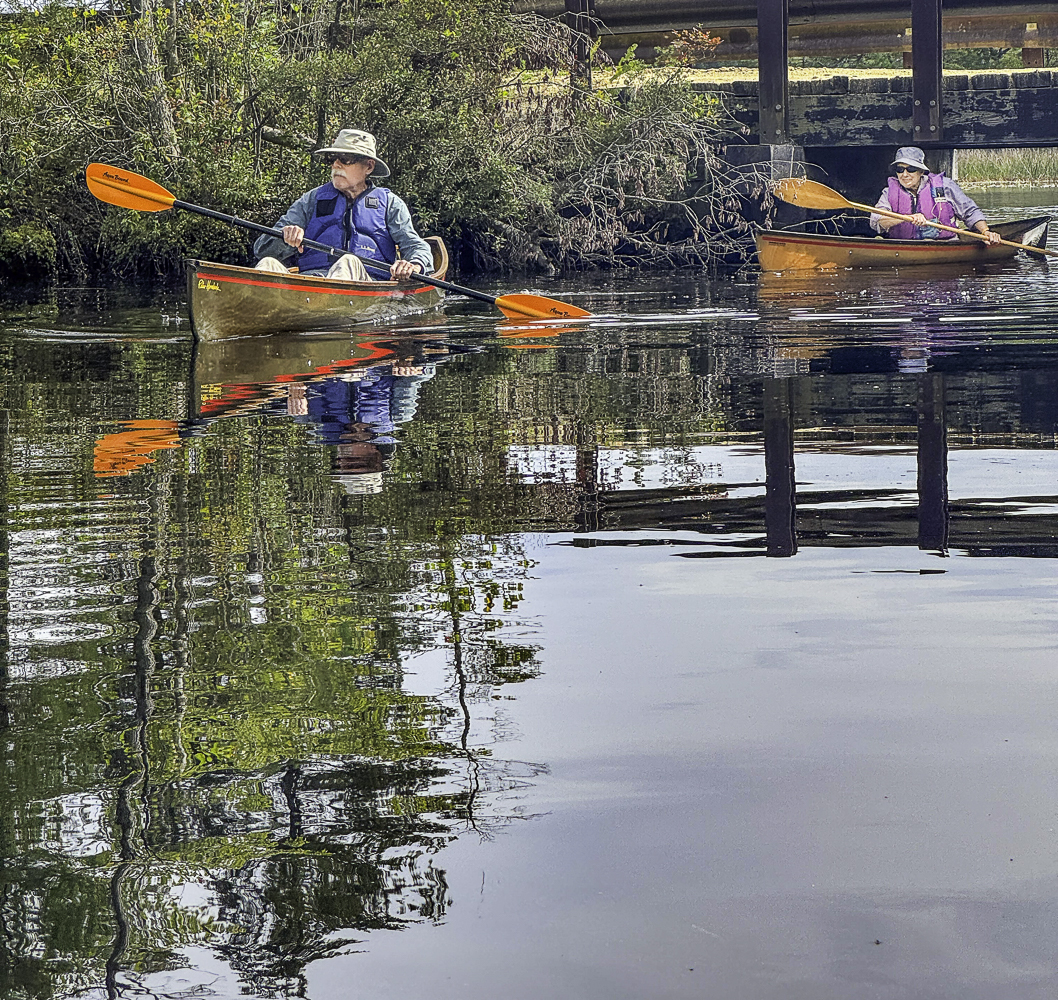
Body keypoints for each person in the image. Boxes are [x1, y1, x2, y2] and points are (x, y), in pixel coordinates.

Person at [254, 128, 435, 281]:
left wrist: (413, 264)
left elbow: (416, 246)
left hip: (366, 283)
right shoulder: (311, 200)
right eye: (332, 158)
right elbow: (262, 249)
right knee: (267, 264)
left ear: (369, 167)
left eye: (346, 158)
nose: (336, 164)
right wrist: (285, 237)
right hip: (312, 282)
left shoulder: (390, 203)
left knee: (348, 261)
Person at [870, 146, 1000, 244]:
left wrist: (985, 232)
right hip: (903, 245)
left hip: (945, 243)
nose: (904, 174)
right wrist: (906, 218)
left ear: (921, 171)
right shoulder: (888, 192)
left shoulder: (945, 186)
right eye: (900, 169)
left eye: (911, 169)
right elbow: (877, 221)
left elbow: (970, 212)